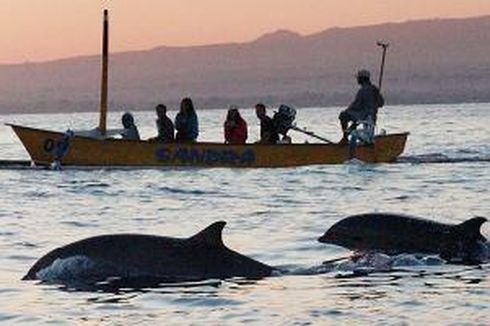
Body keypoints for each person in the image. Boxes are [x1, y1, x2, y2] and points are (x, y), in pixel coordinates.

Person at [338, 69, 384, 144]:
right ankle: (346, 137)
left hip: (364, 114)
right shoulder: (374, 89)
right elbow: (381, 103)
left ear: (362, 79)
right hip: (370, 115)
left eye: (358, 78)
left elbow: (356, 105)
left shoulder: (363, 91)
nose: (357, 80)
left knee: (343, 116)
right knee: (354, 120)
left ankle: (345, 138)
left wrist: (347, 110)